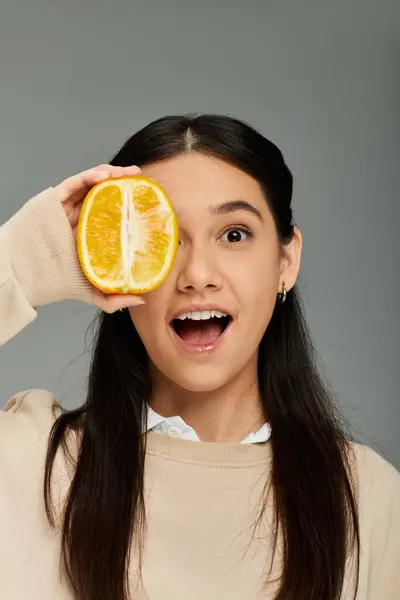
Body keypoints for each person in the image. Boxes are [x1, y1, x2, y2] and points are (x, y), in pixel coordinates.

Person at [0, 114, 399, 600]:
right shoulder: (28, 462)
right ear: (122, 267)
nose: (197, 275)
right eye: (164, 236)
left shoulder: (368, 500)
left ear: (286, 262)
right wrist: (20, 262)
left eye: (234, 234)